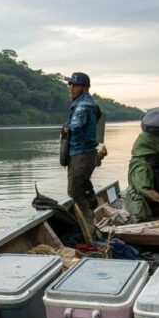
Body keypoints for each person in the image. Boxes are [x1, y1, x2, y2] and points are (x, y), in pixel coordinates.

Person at [61, 72, 101, 214]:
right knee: (82, 186)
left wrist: (66, 128)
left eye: (74, 85)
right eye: (69, 85)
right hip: (84, 153)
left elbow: (74, 127)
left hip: (81, 154)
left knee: (74, 191)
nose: (70, 88)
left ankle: (89, 219)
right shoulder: (86, 103)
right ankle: (94, 208)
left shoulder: (83, 106)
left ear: (84, 88)